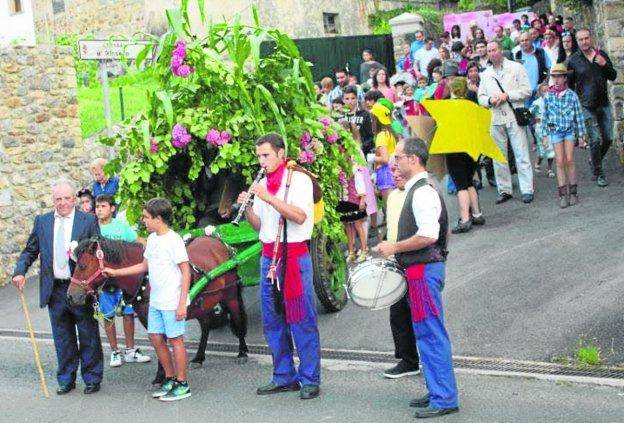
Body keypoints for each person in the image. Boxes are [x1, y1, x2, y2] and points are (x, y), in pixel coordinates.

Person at [376, 137, 459, 418]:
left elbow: (428, 235)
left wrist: (394, 246)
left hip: (423, 270)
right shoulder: (421, 187)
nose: (394, 163)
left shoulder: (422, 191)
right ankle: (438, 390)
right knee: (426, 333)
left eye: (398, 157)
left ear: (413, 159)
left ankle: (444, 397)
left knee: (430, 334)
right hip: (422, 269)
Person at [236, 133, 320, 400]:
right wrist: (247, 208)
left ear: (281, 153)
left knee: (300, 319)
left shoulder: (299, 179)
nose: (261, 161)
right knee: (272, 320)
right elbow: (261, 226)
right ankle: (284, 375)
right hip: (267, 258)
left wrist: (268, 197)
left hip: (293, 257)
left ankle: (310, 378)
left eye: (266, 155)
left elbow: (298, 216)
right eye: (258, 156)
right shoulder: (262, 181)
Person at [12, 179, 102, 395]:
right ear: (53, 200)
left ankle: (92, 377)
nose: (62, 203)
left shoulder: (88, 221)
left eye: (66, 198)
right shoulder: (42, 221)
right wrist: (19, 270)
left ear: (74, 200)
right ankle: (66, 378)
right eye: (58, 199)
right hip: (55, 289)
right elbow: (30, 250)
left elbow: (98, 252)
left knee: (88, 332)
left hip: (80, 288)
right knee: (63, 336)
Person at [103, 198, 192, 401]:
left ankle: (182, 383)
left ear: (158, 219)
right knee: (155, 337)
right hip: (156, 301)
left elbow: (185, 272)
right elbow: (144, 266)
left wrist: (181, 303)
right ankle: (170, 378)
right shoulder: (152, 239)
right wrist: (116, 272)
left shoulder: (174, 240)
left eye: (146, 217)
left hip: (171, 301)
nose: (143, 220)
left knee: (176, 340)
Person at [94, 194, 150, 368]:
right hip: (105, 282)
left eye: (103, 206)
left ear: (112, 208)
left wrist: (154, 243)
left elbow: (136, 241)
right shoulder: (93, 228)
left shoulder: (120, 226)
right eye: (97, 207)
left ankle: (130, 350)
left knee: (128, 314)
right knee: (108, 316)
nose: (99, 210)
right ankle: (114, 352)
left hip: (124, 280)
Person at [478, 40, 534, 204]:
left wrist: (507, 95)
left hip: (513, 115)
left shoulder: (516, 68)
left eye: (494, 49)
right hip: (495, 117)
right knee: (499, 156)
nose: (492, 53)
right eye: (489, 50)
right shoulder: (486, 74)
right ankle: (504, 189)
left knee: (521, 153)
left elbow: (527, 90)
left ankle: (527, 189)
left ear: (501, 50)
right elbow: (480, 97)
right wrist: (490, 99)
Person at [382, 158, 420, 379]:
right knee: (397, 313)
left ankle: (426, 358)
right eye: (391, 171)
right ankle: (408, 360)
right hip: (395, 261)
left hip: (415, 260)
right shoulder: (393, 197)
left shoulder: (417, 193)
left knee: (419, 312)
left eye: (397, 169)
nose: (394, 174)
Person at [568, 29, 618, 187]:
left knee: (608, 138)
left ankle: (594, 160)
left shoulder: (601, 54)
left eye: (586, 38)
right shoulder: (573, 60)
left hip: (603, 103)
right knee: (595, 140)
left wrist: (604, 65)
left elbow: (613, 76)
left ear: (591, 38)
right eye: (581, 39)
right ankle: (599, 172)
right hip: (586, 105)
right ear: (577, 41)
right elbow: (570, 85)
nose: (584, 42)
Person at [543, 64, 588, 207]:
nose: (556, 80)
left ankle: (573, 191)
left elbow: (579, 116)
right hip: (556, 131)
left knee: (569, 159)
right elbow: (546, 116)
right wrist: (546, 133)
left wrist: (581, 135)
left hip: (569, 130)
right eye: (554, 77)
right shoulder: (548, 96)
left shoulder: (572, 95)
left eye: (559, 77)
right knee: (560, 161)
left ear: (564, 78)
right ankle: (562, 194)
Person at [446, 77, 485, 234]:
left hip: (455, 150)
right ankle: (477, 214)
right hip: (472, 149)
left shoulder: (448, 107)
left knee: (460, 185)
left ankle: (465, 219)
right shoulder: (472, 105)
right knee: (469, 182)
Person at [371, 98, 398, 222]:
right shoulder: (390, 132)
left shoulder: (381, 135)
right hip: (393, 171)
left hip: (386, 174)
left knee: (390, 209)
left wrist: (371, 157)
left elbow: (385, 158)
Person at [530, 83, 556, 178]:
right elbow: (530, 113)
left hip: (550, 124)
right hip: (540, 126)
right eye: (544, 91)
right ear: (540, 93)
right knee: (543, 147)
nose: (546, 93)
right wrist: (534, 121)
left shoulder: (553, 101)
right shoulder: (536, 103)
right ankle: (538, 162)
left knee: (551, 147)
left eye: (548, 90)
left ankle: (549, 169)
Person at [341, 85, 375, 155]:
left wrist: (361, 147)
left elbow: (370, 137)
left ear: (356, 98)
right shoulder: (339, 116)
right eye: (347, 99)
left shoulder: (365, 114)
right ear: (343, 100)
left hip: (361, 153)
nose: (350, 101)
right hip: (344, 153)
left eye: (352, 98)